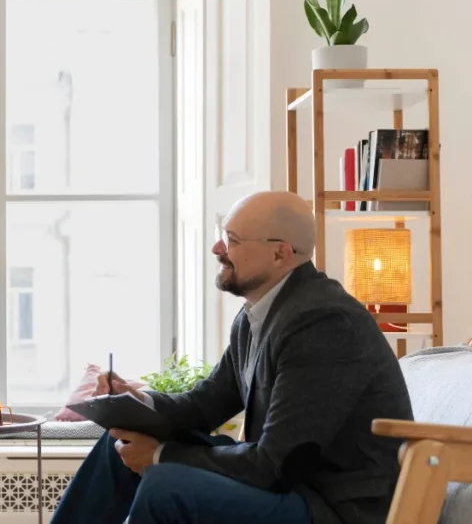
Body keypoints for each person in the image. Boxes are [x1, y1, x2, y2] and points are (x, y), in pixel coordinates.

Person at [51, 191, 414, 524]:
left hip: (333, 507)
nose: (216, 247)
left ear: (280, 253)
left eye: (232, 240)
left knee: (166, 484)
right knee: (119, 445)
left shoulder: (324, 322)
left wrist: (162, 455)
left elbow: (276, 463)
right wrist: (136, 401)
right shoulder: (257, 315)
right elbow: (203, 406)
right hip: (290, 486)